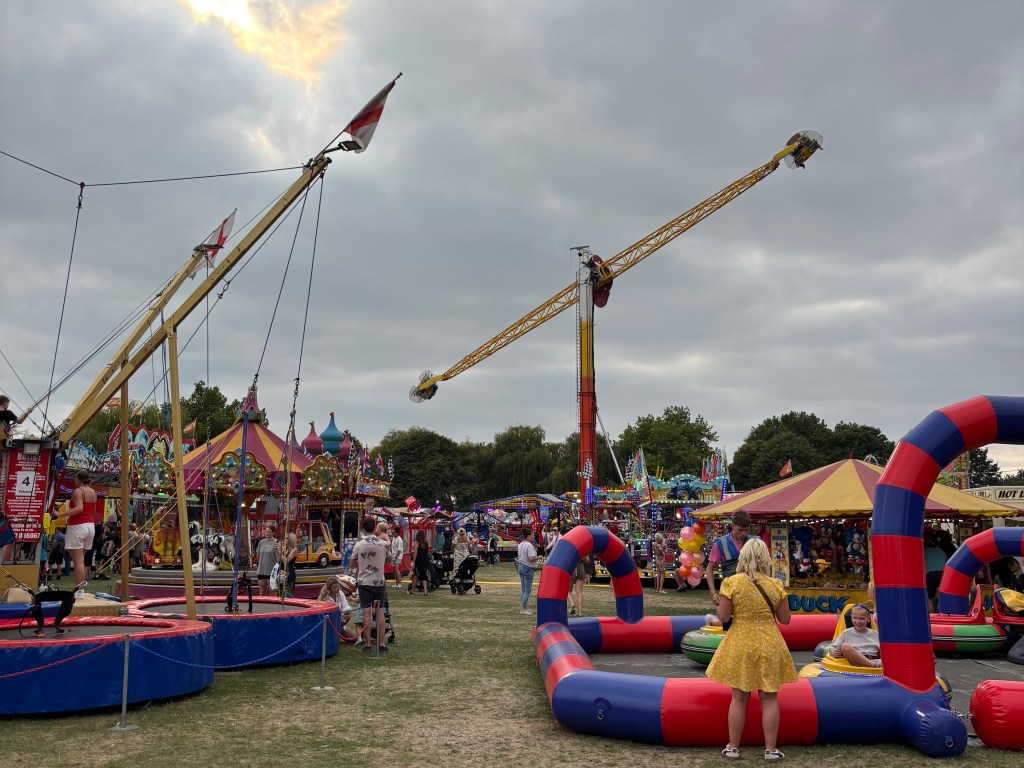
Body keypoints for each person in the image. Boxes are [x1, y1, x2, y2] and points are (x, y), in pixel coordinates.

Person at [705, 538, 796, 761]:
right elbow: (785, 619)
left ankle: (733, 747)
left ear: (743, 557)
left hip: (741, 641)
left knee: (739, 698)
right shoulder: (775, 584)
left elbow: (723, 617)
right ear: (766, 557)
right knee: (770, 698)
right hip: (769, 642)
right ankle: (771, 750)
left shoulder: (732, 582)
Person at [350, 516, 392, 654]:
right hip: (379, 581)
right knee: (380, 612)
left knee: (366, 612)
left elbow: (352, 563)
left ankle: (367, 644)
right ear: (375, 528)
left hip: (364, 581)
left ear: (362, 528)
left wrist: (362, 565)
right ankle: (381, 643)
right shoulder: (382, 544)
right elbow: (389, 559)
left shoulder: (359, 545)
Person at [53, 470, 97, 597]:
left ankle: (79, 591)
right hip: (90, 525)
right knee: (80, 560)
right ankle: (81, 589)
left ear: (78, 480)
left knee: (77, 561)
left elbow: (79, 508)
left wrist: (60, 514)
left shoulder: (78, 491)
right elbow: (92, 510)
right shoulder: (93, 492)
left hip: (78, 525)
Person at [706, 510, 756, 607]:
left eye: (746, 530)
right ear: (732, 526)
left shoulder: (754, 542)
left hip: (752, 591)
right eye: (740, 530)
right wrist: (713, 592)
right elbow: (709, 568)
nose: (744, 533)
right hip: (730, 592)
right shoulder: (721, 543)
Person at [828, 603, 880, 668]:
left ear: (868, 619)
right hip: (855, 663)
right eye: (855, 618)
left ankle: (872, 665)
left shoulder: (875, 634)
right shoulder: (846, 633)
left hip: (874, 660)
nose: (858, 621)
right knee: (845, 646)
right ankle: (873, 666)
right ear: (851, 618)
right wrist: (833, 652)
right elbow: (832, 647)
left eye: (862, 618)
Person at [515, 529, 541, 616]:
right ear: (528, 536)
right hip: (528, 567)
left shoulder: (521, 544)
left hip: (521, 566)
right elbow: (531, 558)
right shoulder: (529, 545)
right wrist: (539, 557)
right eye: (532, 535)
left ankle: (523, 607)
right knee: (527, 590)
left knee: (523, 589)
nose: (534, 536)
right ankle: (523, 609)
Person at [255, 522, 279, 596]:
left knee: (273, 592)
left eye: (269, 532)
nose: (267, 533)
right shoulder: (261, 542)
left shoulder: (276, 542)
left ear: (273, 532)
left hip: (272, 571)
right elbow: (257, 555)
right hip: (261, 570)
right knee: (262, 592)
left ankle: (273, 606)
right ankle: (261, 607)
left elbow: (278, 559)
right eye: (266, 531)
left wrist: (278, 551)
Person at [569, 552, 596, 616]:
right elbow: (587, 560)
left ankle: (572, 603)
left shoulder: (570, 547)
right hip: (580, 567)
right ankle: (580, 612)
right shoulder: (581, 548)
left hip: (571, 568)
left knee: (568, 590)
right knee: (579, 592)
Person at [410, 529, 431, 595]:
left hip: (419, 560)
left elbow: (415, 553)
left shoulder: (417, 543)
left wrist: (413, 561)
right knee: (424, 575)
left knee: (416, 574)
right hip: (425, 560)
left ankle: (413, 590)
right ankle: (425, 591)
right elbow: (427, 552)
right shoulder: (426, 543)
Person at [282, 532, 298, 597]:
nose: (285, 540)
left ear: (291, 540)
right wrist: (277, 552)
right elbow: (278, 561)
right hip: (282, 571)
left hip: (289, 572)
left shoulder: (294, 550)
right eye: (285, 538)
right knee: (282, 592)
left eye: (287, 539)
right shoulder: (284, 549)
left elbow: (286, 561)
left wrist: (280, 553)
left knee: (288, 592)